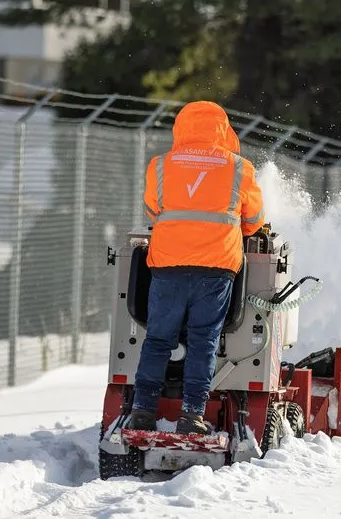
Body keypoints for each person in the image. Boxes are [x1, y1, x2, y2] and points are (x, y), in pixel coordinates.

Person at [127, 100, 265, 435]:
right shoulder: (239, 167)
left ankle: (143, 410)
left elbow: (153, 210)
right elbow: (254, 221)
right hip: (216, 268)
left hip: (168, 265)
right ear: (224, 130)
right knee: (204, 340)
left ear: (181, 128)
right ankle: (192, 414)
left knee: (158, 339)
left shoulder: (160, 165)